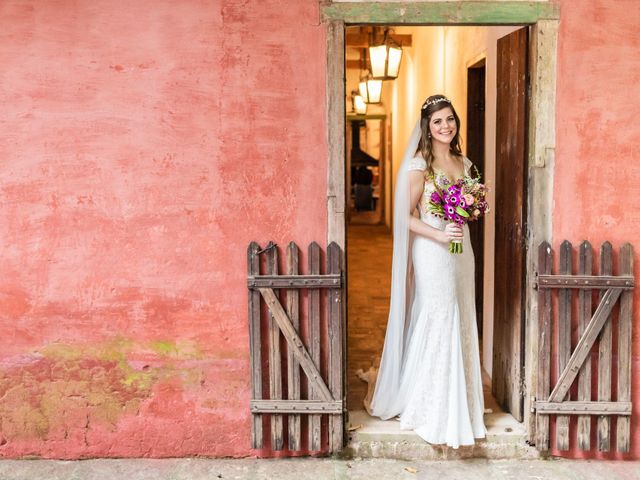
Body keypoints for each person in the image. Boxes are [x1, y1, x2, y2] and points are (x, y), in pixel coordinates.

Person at [367, 95, 487, 448]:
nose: (445, 126)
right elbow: (404, 217)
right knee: (439, 315)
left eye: (450, 119)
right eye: (438, 122)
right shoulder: (420, 164)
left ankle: (462, 402)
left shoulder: (464, 163)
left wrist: (470, 212)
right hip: (432, 251)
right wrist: (438, 233)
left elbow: (469, 207)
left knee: (462, 315)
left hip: (461, 250)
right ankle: (432, 404)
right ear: (427, 127)